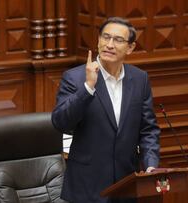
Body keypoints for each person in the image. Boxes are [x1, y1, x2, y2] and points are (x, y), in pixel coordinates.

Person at [51, 17, 160, 203]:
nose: (109, 44)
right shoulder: (75, 78)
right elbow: (61, 122)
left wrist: (150, 166)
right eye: (105, 37)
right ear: (98, 40)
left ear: (131, 47)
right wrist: (88, 88)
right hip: (87, 186)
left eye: (118, 40)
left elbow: (148, 129)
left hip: (127, 184)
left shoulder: (139, 79)